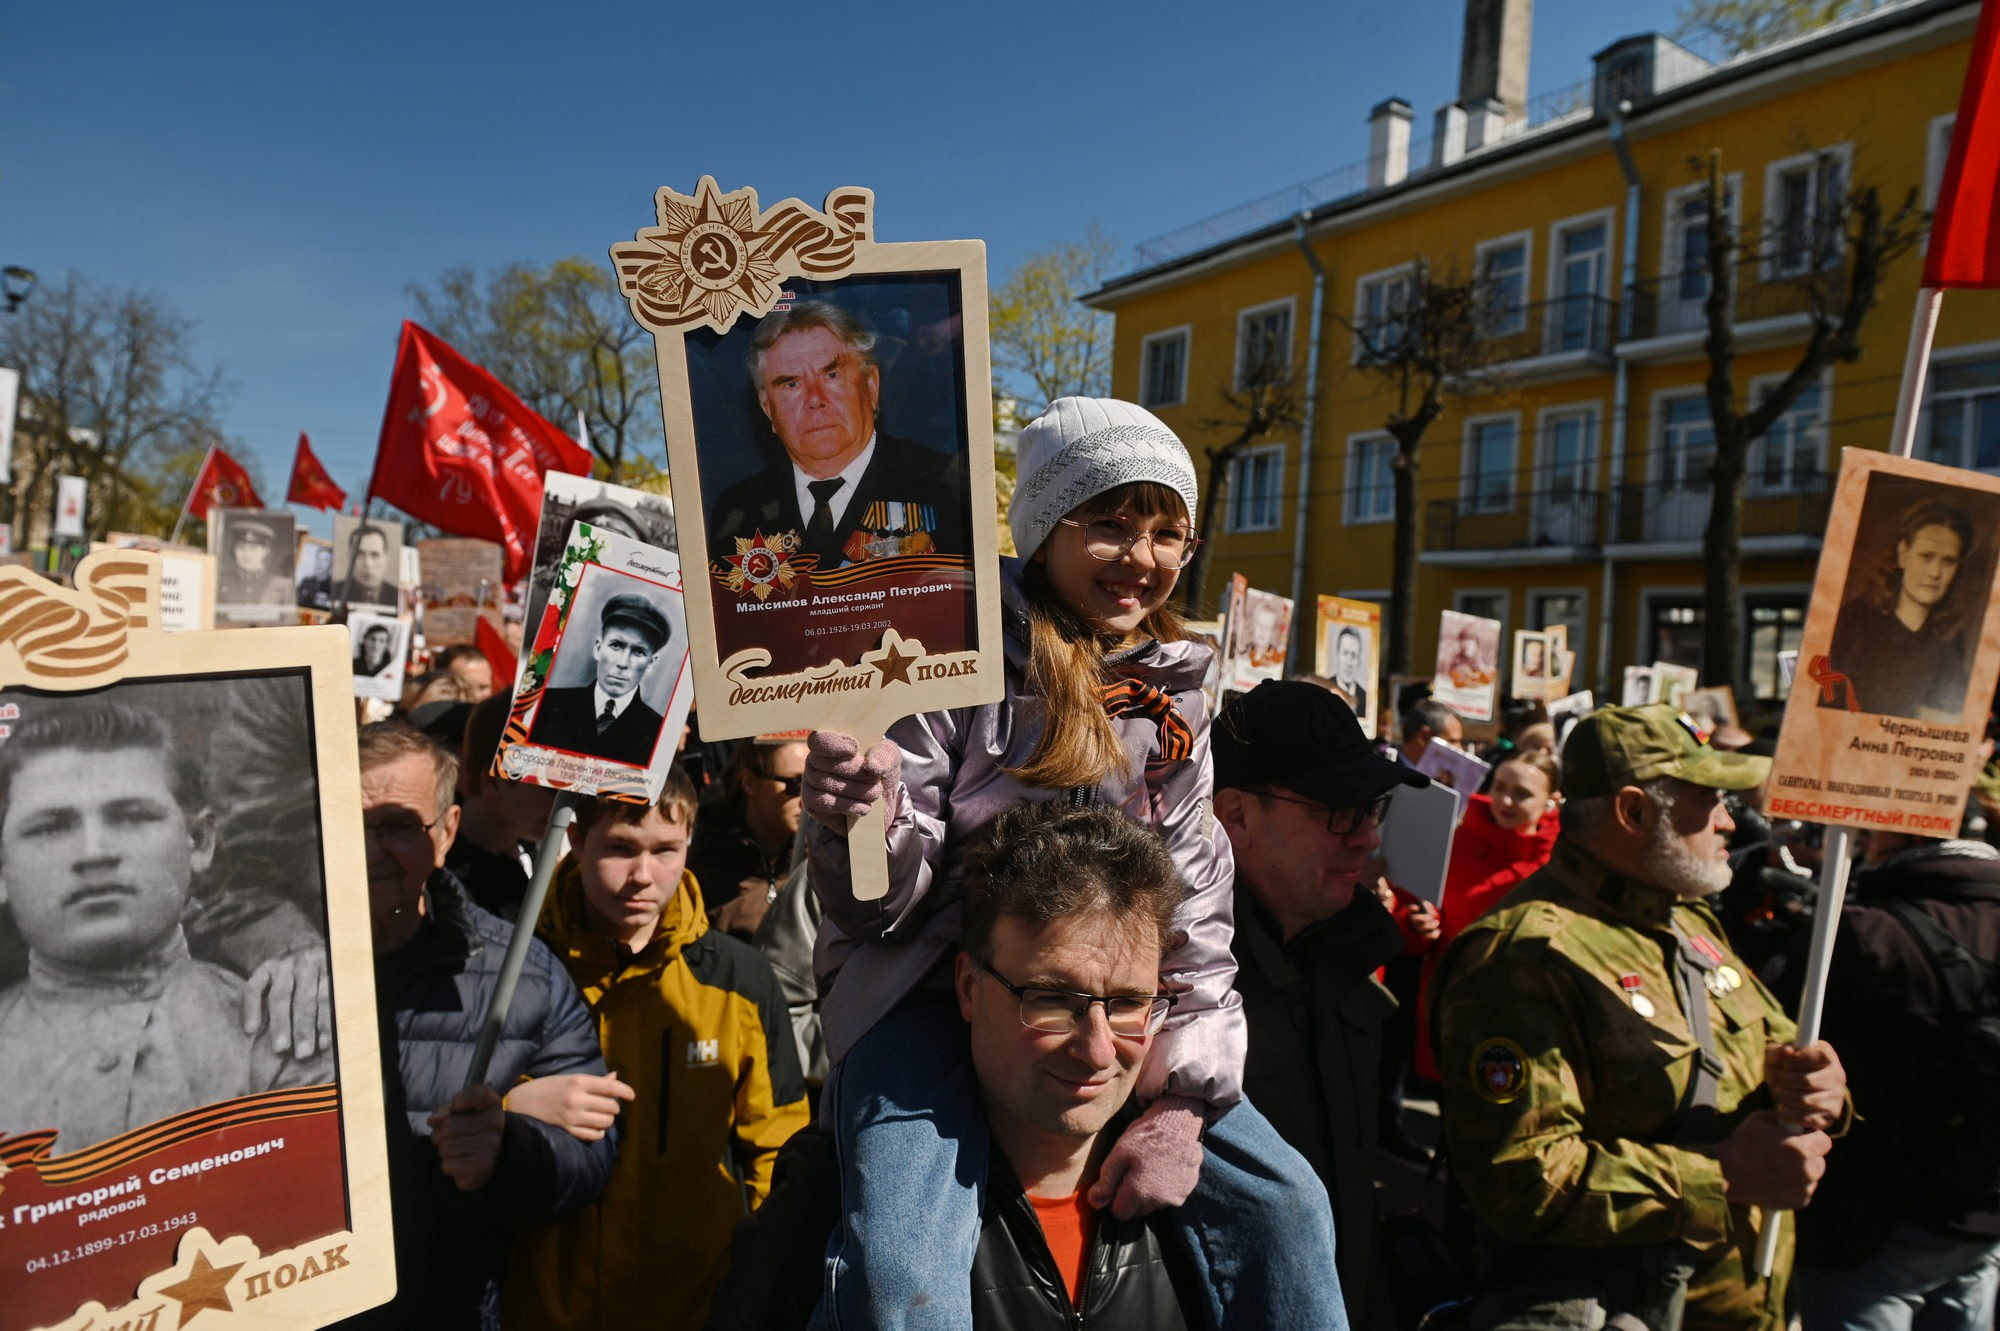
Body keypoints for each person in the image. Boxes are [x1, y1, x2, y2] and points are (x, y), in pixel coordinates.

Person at [801, 396, 1344, 1330]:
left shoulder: (1177, 695)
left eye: (1167, 530)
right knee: (902, 1264)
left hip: (1118, 1016)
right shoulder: (946, 647)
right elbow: (873, 910)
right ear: (1044, 528)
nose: (1142, 555)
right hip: (931, 1000)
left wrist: (1183, 1095)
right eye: (1110, 521)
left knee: (1291, 1207)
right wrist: (864, 815)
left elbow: (1198, 905)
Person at [706, 802, 1245, 1329]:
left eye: (1128, 1004)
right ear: (968, 986)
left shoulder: (1212, 1220)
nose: (1099, 1050)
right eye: (1052, 1000)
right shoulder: (835, 1204)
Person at [1430, 704, 1850, 1330]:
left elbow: (1773, 1052)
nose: (1727, 821)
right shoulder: (1525, 957)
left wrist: (1822, 1087)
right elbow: (1520, 1179)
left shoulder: (1686, 921)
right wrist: (1722, 1176)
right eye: (1706, 799)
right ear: (1631, 812)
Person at [504, 770, 809, 1330]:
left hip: (700, 1304)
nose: (643, 876)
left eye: (665, 850)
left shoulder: (739, 978)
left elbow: (776, 1148)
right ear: (575, 839)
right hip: (547, 1305)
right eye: (620, 849)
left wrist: (759, 1285)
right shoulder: (515, 969)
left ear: (690, 840)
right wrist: (513, 1106)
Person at [335, 722, 615, 1329]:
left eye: (398, 826)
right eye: (345, 820)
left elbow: (590, 1160)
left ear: (448, 833)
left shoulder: (521, 972)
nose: (365, 848)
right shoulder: (247, 973)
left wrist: (507, 1150)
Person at [0, 702, 332, 1154]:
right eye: (52, 827)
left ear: (197, 842)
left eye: (131, 816)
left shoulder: (279, 1033)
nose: (94, 852)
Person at [1210, 680, 1428, 1327]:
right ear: (1236, 815)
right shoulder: (1182, 996)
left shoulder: (1345, 956)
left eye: (1371, 807)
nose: (1365, 837)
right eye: (1338, 809)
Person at [1778, 829, 2000, 1330]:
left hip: (1871, 1228)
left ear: (1891, 831)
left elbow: (1779, 1050)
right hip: (1982, 1214)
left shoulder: (1861, 931)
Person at [708, 300, 964, 573]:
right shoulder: (738, 512)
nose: (815, 399)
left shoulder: (941, 484)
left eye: (831, 375)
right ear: (768, 408)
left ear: (871, 385)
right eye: (791, 383)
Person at [1412, 749, 1561, 1083]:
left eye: (1522, 794)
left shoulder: (1564, 860)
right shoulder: (1456, 837)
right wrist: (1422, 922)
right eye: (1500, 787)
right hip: (1457, 996)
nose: (1506, 800)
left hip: (1531, 1006)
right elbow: (1421, 903)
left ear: (1552, 800)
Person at [1824, 500, 1977, 720]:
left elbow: (1952, 715)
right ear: (1903, 554)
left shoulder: (1949, 638)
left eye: (1948, 561)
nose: (1935, 572)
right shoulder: (1855, 620)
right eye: (1926, 557)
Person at [446, 694, 556, 921]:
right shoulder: (442, 877)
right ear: (494, 782)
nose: (563, 805)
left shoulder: (535, 853)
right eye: (550, 787)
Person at [529, 592, 671, 766]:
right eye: (616, 645)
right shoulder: (546, 703)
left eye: (638, 652)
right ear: (598, 648)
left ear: (651, 663)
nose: (623, 663)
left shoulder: (660, 733)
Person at [689, 736, 808, 941]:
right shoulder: (699, 862)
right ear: (750, 783)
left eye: (815, 784)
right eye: (795, 785)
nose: (807, 799)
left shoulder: (823, 858)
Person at [217, 514, 293, 608]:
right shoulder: (219, 581)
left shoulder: (283, 585)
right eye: (241, 548)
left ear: (265, 551)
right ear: (233, 549)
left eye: (253, 549)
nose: (247, 554)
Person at [333, 522, 397, 611]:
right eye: (360, 554)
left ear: (386, 558)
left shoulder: (397, 597)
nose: (368, 564)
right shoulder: (335, 592)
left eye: (375, 555)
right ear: (349, 557)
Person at [1329, 626, 1370, 717]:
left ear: (1358, 660)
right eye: (1345, 653)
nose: (1349, 662)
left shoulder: (1365, 697)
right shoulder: (1325, 690)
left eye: (1354, 655)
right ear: (1337, 655)